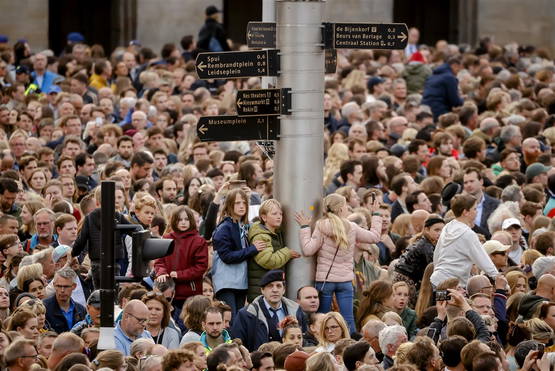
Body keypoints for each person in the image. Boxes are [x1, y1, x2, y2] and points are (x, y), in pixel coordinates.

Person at [296, 193, 382, 333]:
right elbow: (375, 237)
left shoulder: (321, 226)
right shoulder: (352, 227)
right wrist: (376, 213)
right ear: (341, 209)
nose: (347, 209)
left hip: (325, 280)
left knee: (323, 319)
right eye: (346, 206)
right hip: (345, 281)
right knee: (348, 319)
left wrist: (305, 227)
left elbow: (308, 250)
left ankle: (323, 345)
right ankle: (351, 346)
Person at [212, 188, 265, 315]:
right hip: (226, 283)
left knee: (238, 319)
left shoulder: (244, 225)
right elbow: (227, 256)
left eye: (244, 203)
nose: (241, 206)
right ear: (229, 205)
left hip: (241, 282)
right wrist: (252, 249)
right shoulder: (224, 227)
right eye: (237, 203)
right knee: (230, 320)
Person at [430, 194, 499, 288]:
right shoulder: (468, 234)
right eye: (474, 209)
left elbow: (436, 255)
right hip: (453, 285)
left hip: (437, 280)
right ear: (465, 212)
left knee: (440, 303)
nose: (477, 211)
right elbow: (484, 261)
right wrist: (499, 279)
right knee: (449, 303)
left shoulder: (447, 227)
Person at [231, 269, 301, 351]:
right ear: (262, 290)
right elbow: (238, 345)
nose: (275, 290)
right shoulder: (246, 314)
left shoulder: (295, 310)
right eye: (270, 286)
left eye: (279, 286)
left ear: (284, 290)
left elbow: (304, 338)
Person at [155, 205, 208, 310]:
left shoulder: (199, 241)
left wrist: (180, 274)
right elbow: (159, 261)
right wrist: (162, 272)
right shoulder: (166, 238)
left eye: (186, 219)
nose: (183, 222)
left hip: (190, 293)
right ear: (174, 221)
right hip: (168, 292)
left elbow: (201, 267)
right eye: (180, 219)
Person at [247, 199, 300, 302]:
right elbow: (268, 261)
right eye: (274, 214)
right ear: (264, 217)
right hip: (261, 292)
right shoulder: (261, 236)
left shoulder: (275, 233)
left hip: (270, 290)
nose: (279, 216)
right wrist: (287, 253)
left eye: (280, 214)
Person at [393, 215, 445, 306]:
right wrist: (443, 295)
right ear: (427, 230)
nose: (440, 233)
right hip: (405, 281)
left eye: (442, 230)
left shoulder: (427, 243)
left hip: (408, 279)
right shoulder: (425, 246)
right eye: (437, 230)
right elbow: (434, 270)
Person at [43, 267, 87, 334]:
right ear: (54, 285)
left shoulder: (81, 310)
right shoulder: (44, 308)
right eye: (59, 286)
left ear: (74, 286)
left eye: (66, 286)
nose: (62, 290)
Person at [422, 56, 464, 120]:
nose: (458, 72)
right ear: (455, 66)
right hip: (439, 110)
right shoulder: (450, 78)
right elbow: (455, 101)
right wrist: (462, 100)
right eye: (459, 69)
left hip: (425, 108)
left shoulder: (433, 76)